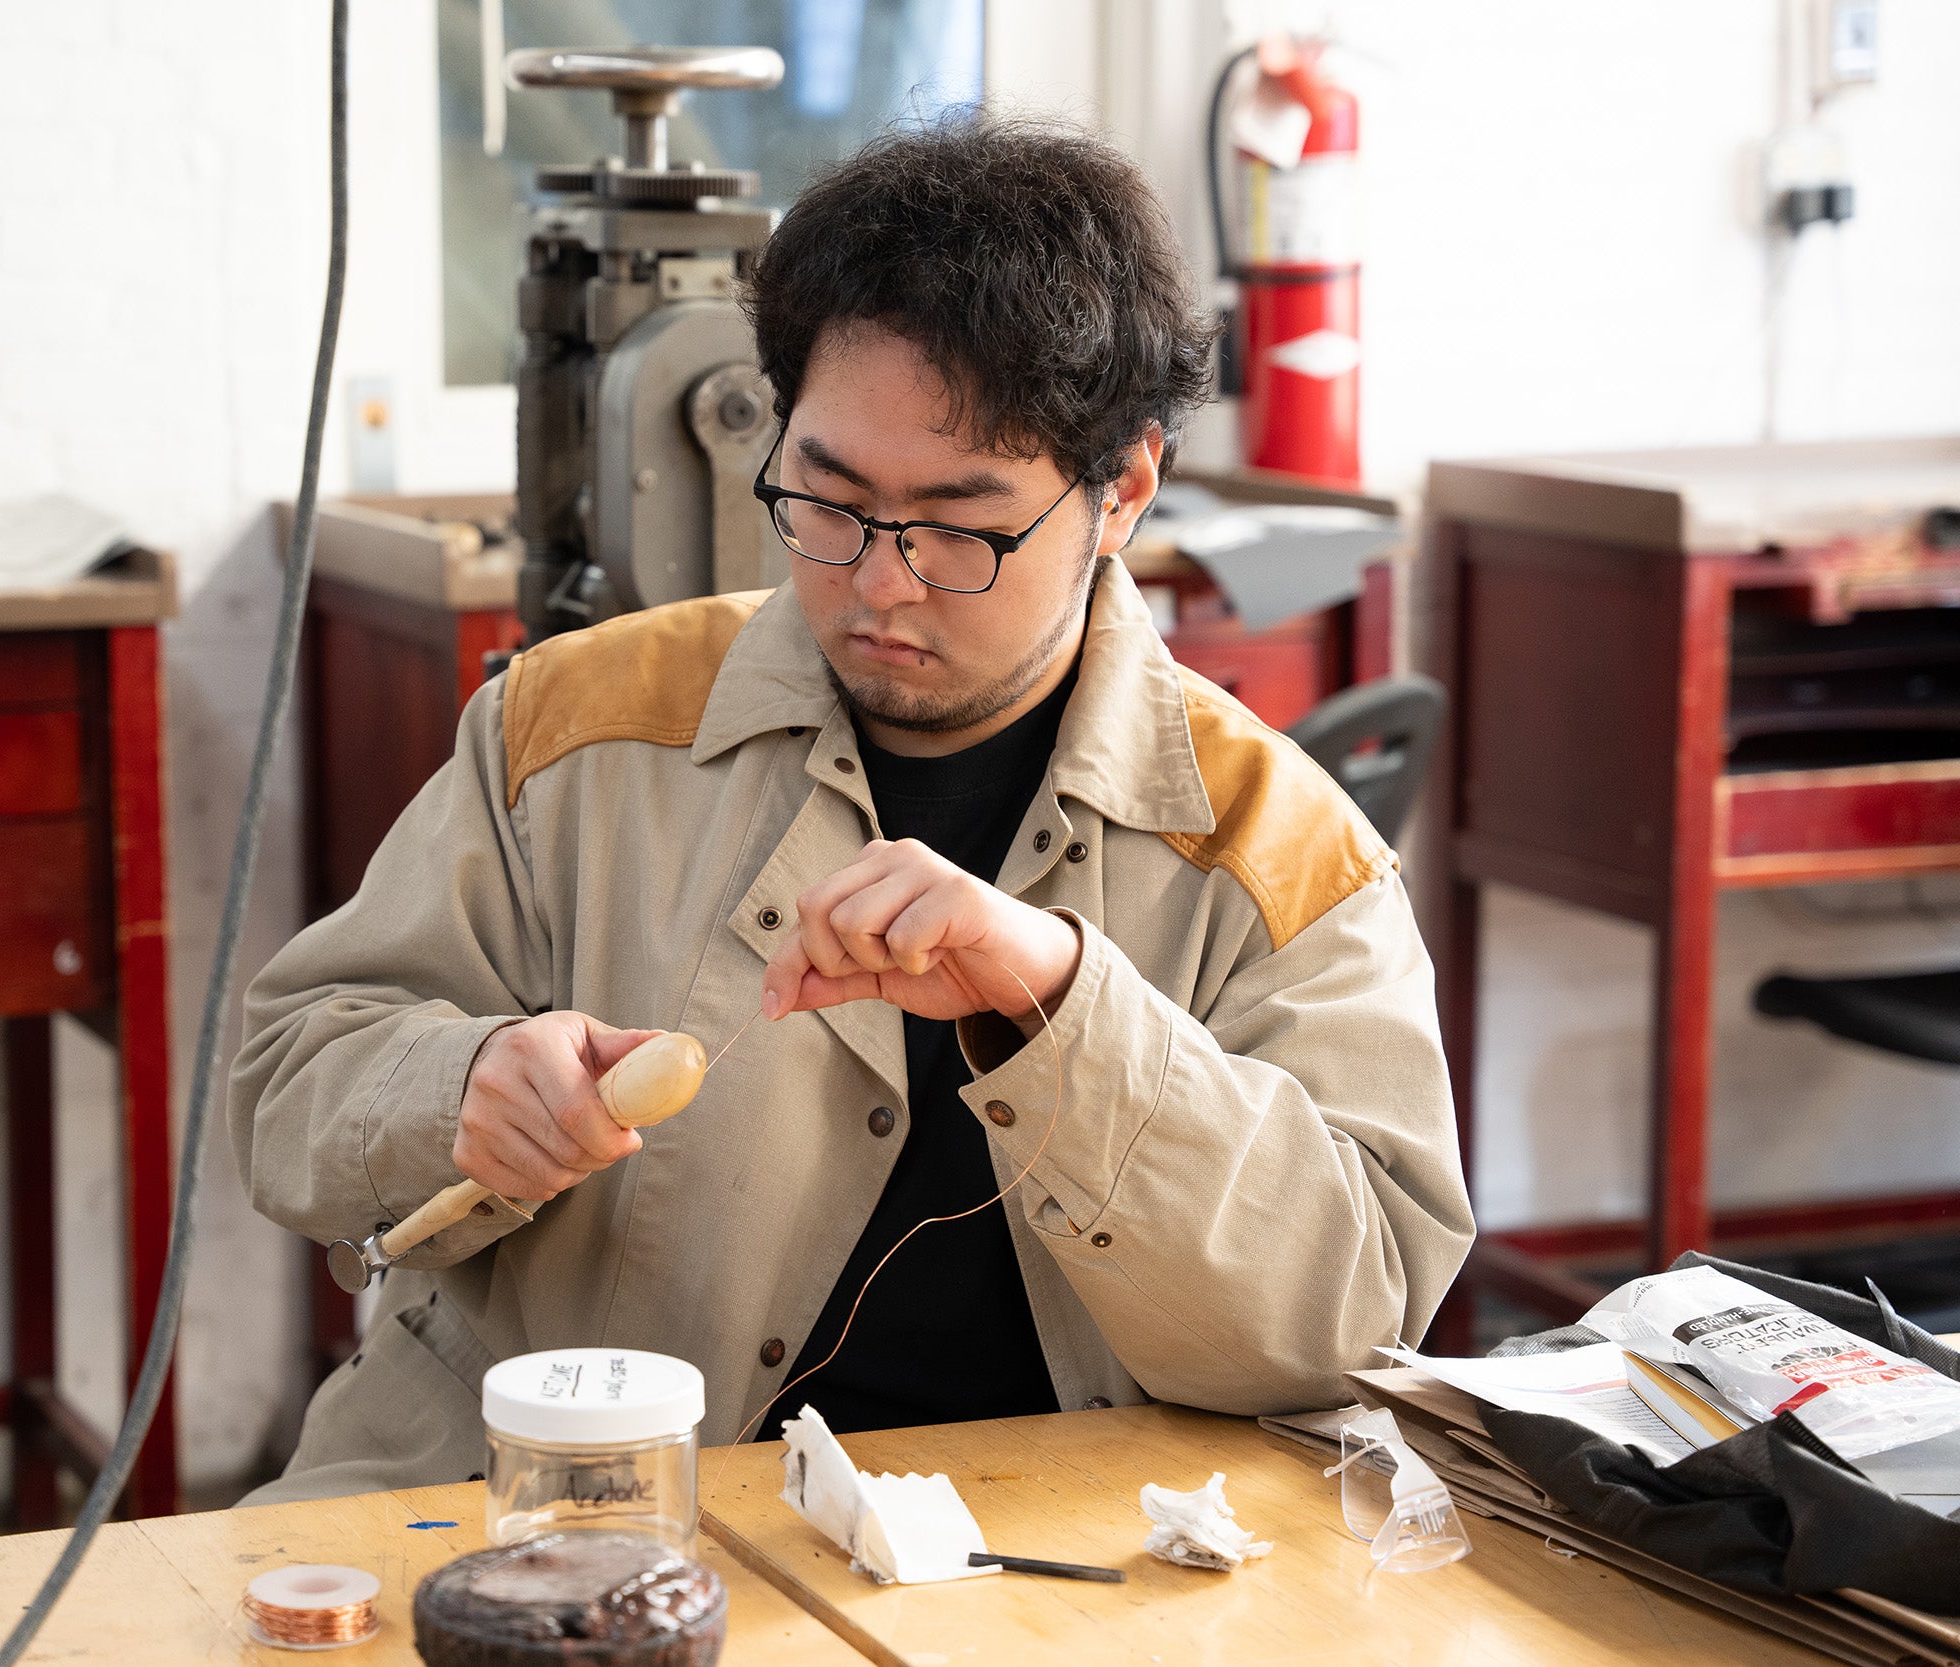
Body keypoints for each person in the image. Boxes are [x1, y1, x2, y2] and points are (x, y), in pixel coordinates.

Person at [230, 117, 1472, 1504]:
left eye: (959, 525)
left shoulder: (1275, 848)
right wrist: (456, 1089)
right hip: (563, 1515)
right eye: (826, 499)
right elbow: (288, 1081)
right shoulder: (572, 734)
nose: (880, 582)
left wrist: (1068, 1009)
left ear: (1121, 490)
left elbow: (1356, 1316)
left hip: (1052, 1562)